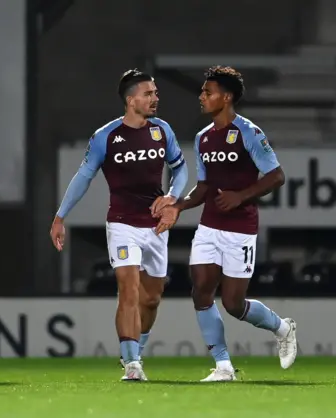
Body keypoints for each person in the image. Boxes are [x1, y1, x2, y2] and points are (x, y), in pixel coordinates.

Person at [159, 66, 297, 382]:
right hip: (209, 227)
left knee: (234, 304)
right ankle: (223, 366)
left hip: (241, 229)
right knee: (201, 291)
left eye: (208, 92)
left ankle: (282, 327)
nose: (202, 97)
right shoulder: (203, 137)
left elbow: (277, 176)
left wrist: (241, 196)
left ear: (227, 96)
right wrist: (179, 206)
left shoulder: (248, 132)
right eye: (202, 91)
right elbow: (205, 187)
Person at [50, 69, 188, 381]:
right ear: (130, 100)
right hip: (122, 224)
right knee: (128, 290)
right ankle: (132, 363)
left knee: (151, 298)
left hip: (155, 228)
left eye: (155, 93)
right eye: (148, 94)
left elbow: (181, 168)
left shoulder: (162, 130)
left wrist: (172, 197)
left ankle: (135, 348)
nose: (155, 98)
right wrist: (60, 216)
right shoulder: (106, 137)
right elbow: (83, 177)